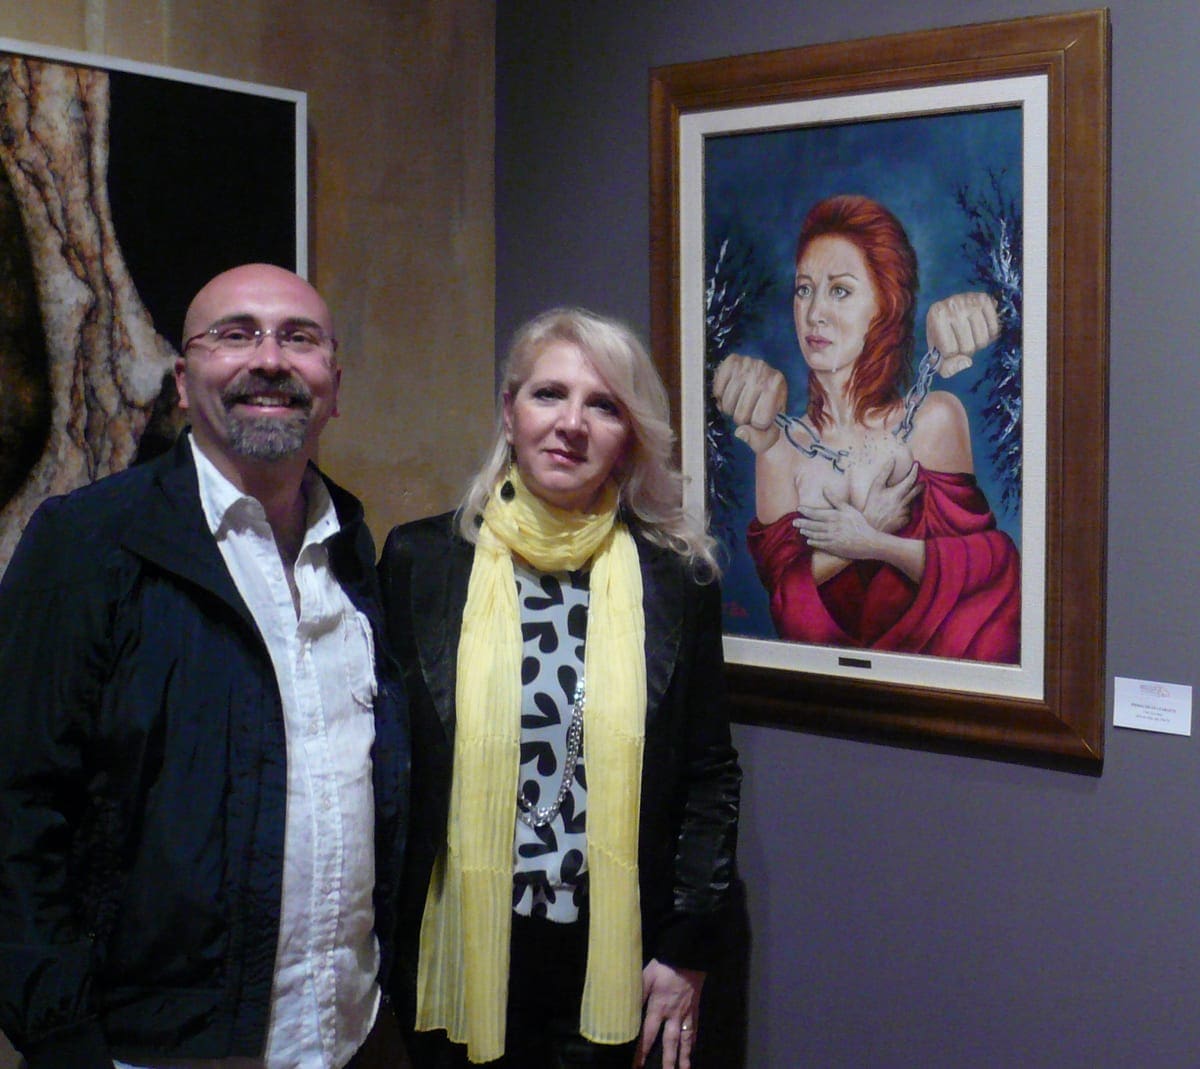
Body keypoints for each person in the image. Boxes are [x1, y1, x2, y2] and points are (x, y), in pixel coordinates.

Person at [0, 264, 409, 1068]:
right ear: (184, 384)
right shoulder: (89, 544)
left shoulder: (356, 555)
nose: (269, 358)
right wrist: (59, 1036)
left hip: (344, 1036)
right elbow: (15, 804)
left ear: (334, 386)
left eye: (299, 338)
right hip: (152, 1050)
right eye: (235, 334)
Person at [379, 308, 741, 1068]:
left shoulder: (677, 580)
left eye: (603, 405)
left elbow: (708, 773)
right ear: (509, 413)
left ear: (629, 435)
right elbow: (388, 771)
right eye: (549, 394)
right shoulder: (420, 562)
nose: (571, 424)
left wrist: (688, 944)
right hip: (460, 942)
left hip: (617, 952)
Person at [713, 194, 1020, 663]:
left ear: (886, 304)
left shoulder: (932, 420)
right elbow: (791, 614)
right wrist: (864, 534)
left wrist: (875, 545)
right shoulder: (781, 449)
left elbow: (986, 573)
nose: (814, 312)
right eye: (804, 289)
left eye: (840, 291)